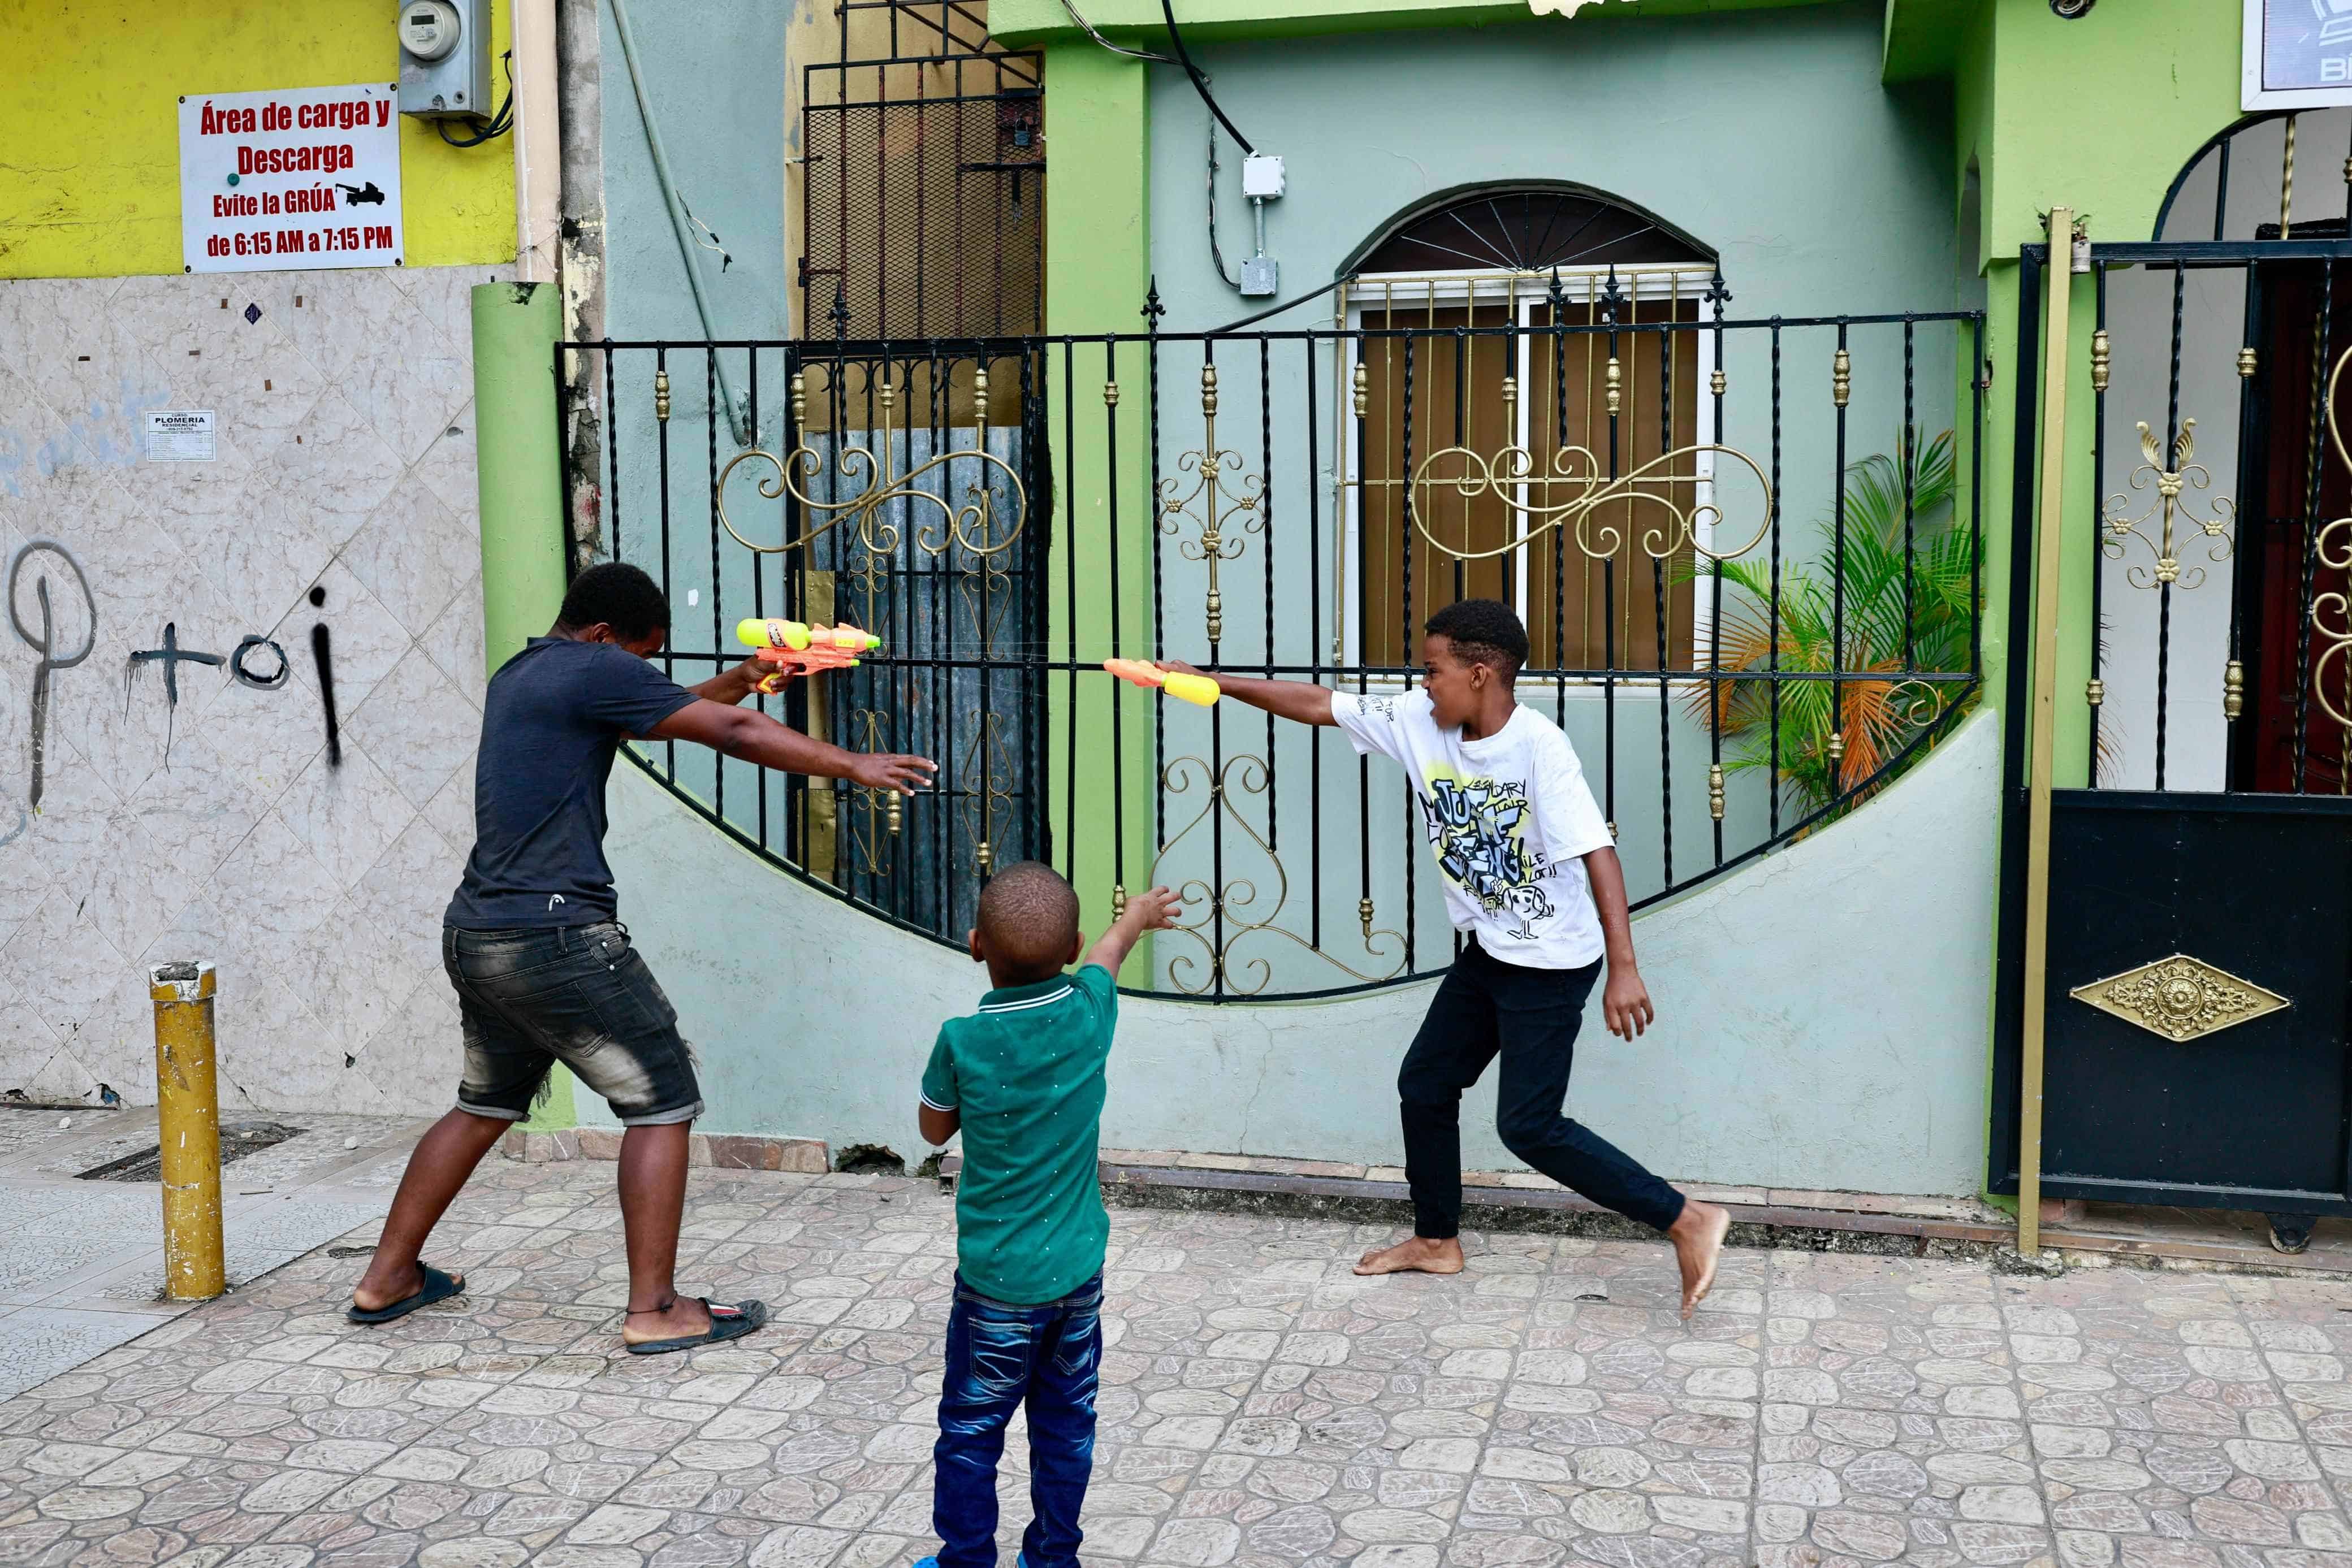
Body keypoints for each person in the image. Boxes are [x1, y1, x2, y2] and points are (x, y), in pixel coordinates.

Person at [348, 561, 936, 1353]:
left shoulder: (527, 672)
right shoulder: (592, 670)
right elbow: (727, 731)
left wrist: (746, 674)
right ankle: (654, 1308)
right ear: (601, 638)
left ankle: (387, 1278)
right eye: (641, 659)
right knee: (662, 1099)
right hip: (556, 937)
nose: (645, 675)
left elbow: (666, 715)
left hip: (479, 930)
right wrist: (853, 763)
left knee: (483, 1104)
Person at [1161, 598, 1731, 1316]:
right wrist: (1212, 681)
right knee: (1426, 1082)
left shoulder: (1538, 747)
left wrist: (1623, 966)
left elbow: (1597, 853)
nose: (1422, 682)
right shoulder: (1417, 722)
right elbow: (1317, 703)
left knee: (1528, 1124)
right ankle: (1436, 1240)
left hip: (1553, 960)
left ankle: (1686, 1219)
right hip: (1492, 950)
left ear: (1481, 672)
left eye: (1433, 669)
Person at [913, 863, 1181, 1568]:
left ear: (975, 945)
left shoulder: (961, 1038)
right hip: (1077, 1281)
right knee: (1065, 1428)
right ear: (1069, 948)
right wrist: (1141, 915)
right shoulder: (1089, 1010)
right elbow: (1109, 953)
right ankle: (1053, 1556)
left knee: (971, 1431)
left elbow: (933, 1131)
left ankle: (965, 1559)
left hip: (994, 1286)